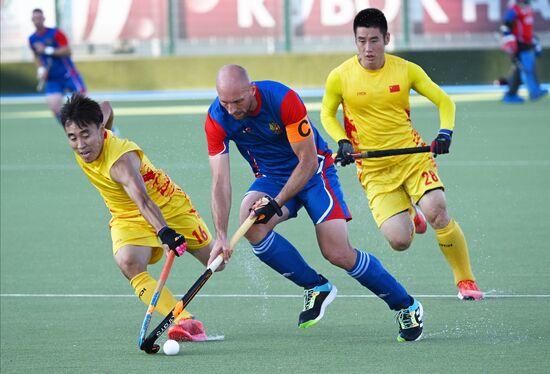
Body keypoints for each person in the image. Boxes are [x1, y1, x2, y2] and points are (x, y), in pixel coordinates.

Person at [205, 64, 424, 342]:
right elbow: (220, 181)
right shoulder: (216, 118)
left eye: (238, 101)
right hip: (271, 177)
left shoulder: (282, 100)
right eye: (225, 102)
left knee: (337, 253)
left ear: (252, 89)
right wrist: (221, 236)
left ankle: (406, 305)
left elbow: (307, 161)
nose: (232, 109)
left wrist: (276, 203)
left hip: (314, 173)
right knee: (251, 224)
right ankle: (315, 286)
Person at [320, 8, 484, 301]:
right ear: (355, 41)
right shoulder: (340, 76)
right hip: (374, 169)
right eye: (361, 41)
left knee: (437, 209)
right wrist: (342, 140)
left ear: (387, 38)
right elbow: (327, 114)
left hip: (412, 157)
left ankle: (465, 281)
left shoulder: (406, 69)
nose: (368, 48)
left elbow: (444, 101)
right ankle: (410, 212)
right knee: (400, 240)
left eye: (374, 40)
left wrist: (445, 132)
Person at [60, 93, 213, 342]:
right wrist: (99, 127)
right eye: (72, 137)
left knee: (216, 261)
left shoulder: (120, 162)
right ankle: (184, 319)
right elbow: (106, 107)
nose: (80, 145)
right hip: (126, 216)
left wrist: (165, 233)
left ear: (99, 129)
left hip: (168, 206)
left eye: (86, 134)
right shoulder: (91, 130)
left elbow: (143, 200)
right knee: (128, 262)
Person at [29, 9, 86, 123]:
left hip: (67, 74)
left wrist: (47, 50)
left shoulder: (56, 33)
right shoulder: (32, 39)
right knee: (55, 108)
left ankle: (106, 130)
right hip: (52, 78)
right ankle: (73, 132)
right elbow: (36, 55)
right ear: (32, 20)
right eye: (35, 19)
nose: (37, 21)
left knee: (84, 106)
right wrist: (40, 69)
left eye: (39, 18)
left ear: (44, 19)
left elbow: (68, 51)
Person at [500, 0, 548, 103]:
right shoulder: (514, 10)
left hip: (526, 43)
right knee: (527, 68)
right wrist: (508, 41)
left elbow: (528, 30)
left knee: (520, 70)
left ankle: (511, 94)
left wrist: (534, 42)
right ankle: (534, 91)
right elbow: (505, 26)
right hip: (519, 45)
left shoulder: (528, 9)